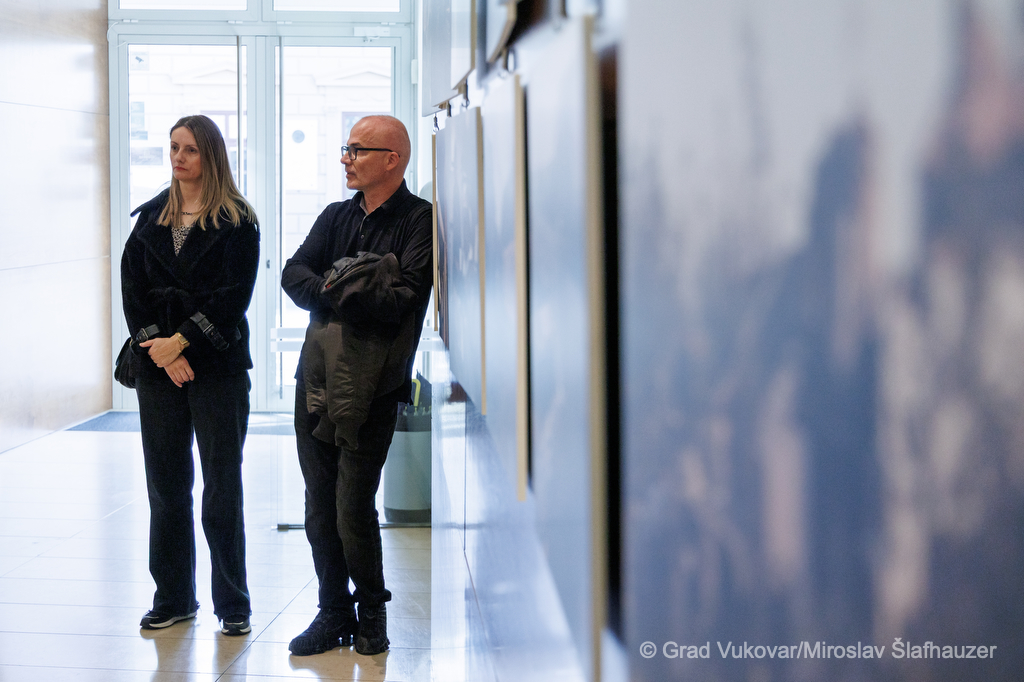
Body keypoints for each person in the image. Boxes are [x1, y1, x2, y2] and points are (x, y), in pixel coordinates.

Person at [282, 115, 432, 656]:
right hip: (315, 380)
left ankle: (372, 613)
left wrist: (332, 286)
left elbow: (402, 299)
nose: (345, 158)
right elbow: (293, 274)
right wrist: (349, 281)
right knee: (319, 508)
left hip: (376, 386)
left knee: (352, 507)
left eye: (357, 150)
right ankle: (333, 612)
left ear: (392, 159)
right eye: (346, 149)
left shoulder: (420, 220)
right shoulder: (335, 215)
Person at [121, 114, 260, 636]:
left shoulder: (238, 221)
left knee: (222, 486)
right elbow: (132, 290)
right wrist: (162, 349)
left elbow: (233, 298)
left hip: (217, 365)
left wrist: (182, 342)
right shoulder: (150, 217)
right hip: (157, 365)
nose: (178, 157)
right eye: (173, 147)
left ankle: (233, 603)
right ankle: (174, 597)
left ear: (211, 156)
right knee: (166, 485)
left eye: (190, 150)